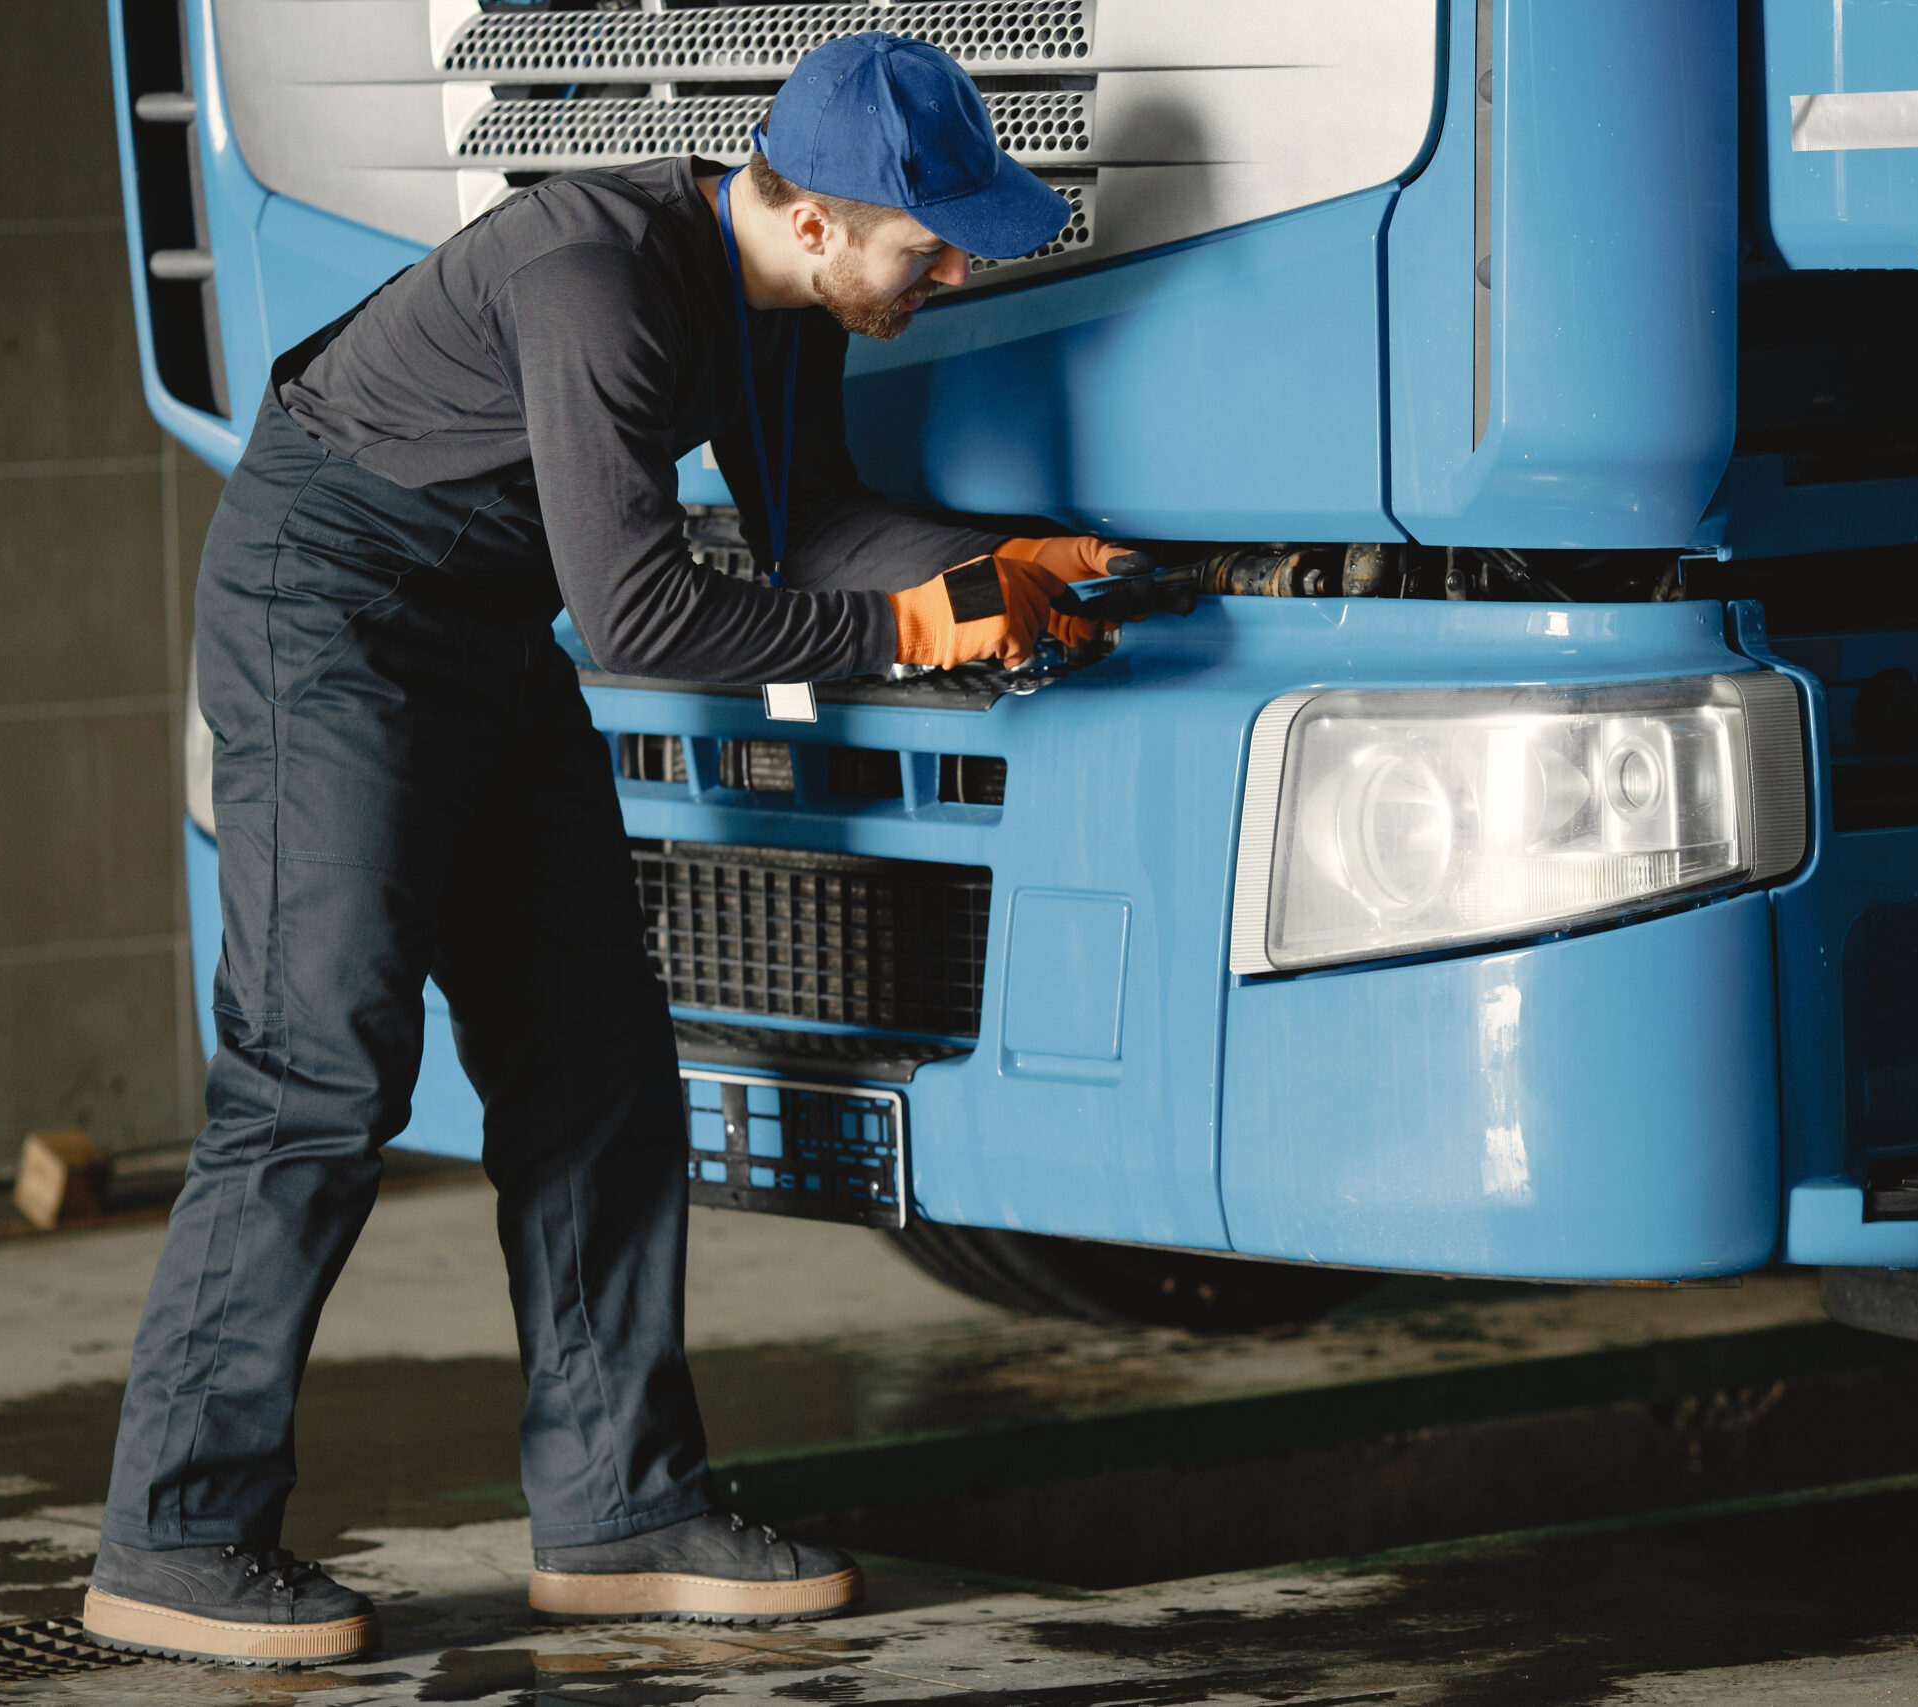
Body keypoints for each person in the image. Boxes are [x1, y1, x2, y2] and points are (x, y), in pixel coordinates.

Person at [80, 32, 1139, 1668]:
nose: (947, 268)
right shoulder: (602, 275)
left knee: (595, 1063)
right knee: (319, 1066)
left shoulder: (778, 305)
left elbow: (819, 535)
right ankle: (177, 1536)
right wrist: (913, 635)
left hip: (484, 625)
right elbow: (640, 611)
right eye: (926, 242)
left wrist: (1007, 569)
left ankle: (621, 1508)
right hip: (331, 610)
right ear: (814, 220)